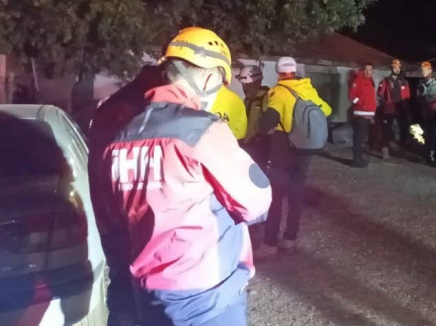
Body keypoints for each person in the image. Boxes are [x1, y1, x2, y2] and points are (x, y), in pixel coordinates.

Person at [97, 27, 273, 326]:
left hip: (148, 290)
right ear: (208, 78)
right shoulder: (202, 129)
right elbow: (256, 203)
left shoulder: (121, 137)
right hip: (207, 294)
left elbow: (116, 214)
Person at [88, 63, 165, 326]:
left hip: (118, 224)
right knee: (133, 301)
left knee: (125, 295)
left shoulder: (120, 105)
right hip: (130, 226)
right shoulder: (137, 111)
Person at [255, 57, 331, 257]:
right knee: (296, 196)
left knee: (276, 197)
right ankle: (290, 239)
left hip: (283, 150)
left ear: (279, 72)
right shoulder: (308, 89)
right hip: (304, 150)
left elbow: (265, 124)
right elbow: (327, 110)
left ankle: (270, 244)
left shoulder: (279, 93)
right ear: (295, 71)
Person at [377, 58, 412, 158]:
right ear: (391, 68)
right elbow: (379, 94)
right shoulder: (386, 81)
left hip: (401, 108)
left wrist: (407, 110)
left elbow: (407, 96)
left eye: (398, 67)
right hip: (390, 108)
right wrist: (386, 103)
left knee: (404, 128)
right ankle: (385, 148)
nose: (397, 69)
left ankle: (402, 148)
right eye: (395, 67)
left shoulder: (404, 81)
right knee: (387, 129)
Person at [349, 62, 376, 168]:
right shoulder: (357, 80)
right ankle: (356, 160)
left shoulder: (370, 81)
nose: (368, 72)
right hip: (361, 114)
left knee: (363, 138)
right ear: (362, 70)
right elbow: (352, 96)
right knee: (359, 138)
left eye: (370, 70)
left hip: (368, 114)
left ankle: (359, 157)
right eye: (366, 69)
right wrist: (362, 104)